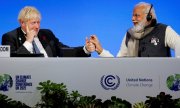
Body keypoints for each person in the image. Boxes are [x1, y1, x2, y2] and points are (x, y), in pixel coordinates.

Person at [90, 2, 180, 57]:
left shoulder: (164, 30)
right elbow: (118, 64)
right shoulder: (129, 34)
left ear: (149, 17)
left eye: (137, 15)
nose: (132, 19)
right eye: (132, 15)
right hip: (134, 82)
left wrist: (175, 68)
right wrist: (101, 50)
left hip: (160, 82)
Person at [1, 6, 95, 57]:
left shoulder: (46, 34)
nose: (37, 26)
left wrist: (85, 49)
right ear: (22, 23)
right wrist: (28, 41)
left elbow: (63, 51)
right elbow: (13, 61)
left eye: (38, 22)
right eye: (33, 23)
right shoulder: (9, 37)